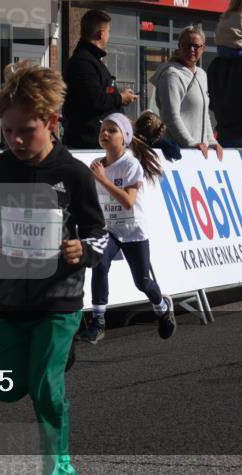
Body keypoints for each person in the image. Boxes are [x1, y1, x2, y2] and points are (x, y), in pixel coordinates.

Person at [0, 61, 109, 475]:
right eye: (8, 132)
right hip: (9, 297)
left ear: (52, 122)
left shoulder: (72, 173)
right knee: (4, 388)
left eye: (26, 131)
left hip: (59, 298)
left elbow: (100, 234)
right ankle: (51, 360)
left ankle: (58, 465)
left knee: (45, 387)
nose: (16, 140)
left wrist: (83, 251)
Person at [76, 113, 175, 345]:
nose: (105, 134)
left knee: (142, 282)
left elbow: (128, 201)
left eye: (112, 130)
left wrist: (102, 179)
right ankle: (98, 321)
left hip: (133, 229)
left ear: (125, 138)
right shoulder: (98, 166)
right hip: (109, 228)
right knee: (99, 263)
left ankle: (161, 306)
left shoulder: (131, 164)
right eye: (103, 130)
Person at [62, 9, 136, 148]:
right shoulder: (83, 62)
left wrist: (118, 96)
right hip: (88, 143)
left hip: (97, 141)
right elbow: (94, 100)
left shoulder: (91, 60)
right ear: (101, 33)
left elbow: (101, 93)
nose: (109, 36)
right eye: (108, 32)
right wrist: (120, 98)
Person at [152, 26, 223, 159]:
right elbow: (171, 117)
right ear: (179, 46)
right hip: (178, 154)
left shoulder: (202, 74)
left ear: (203, 48)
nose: (191, 50)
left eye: (196, 46)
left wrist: (212, 141)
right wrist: (191, 143)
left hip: (199, 152)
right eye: (187, 45)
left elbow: (204, 114)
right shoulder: (171, 75)